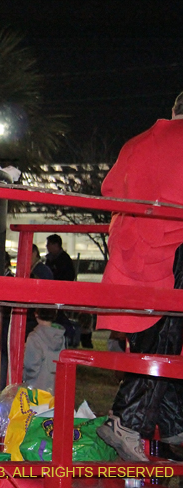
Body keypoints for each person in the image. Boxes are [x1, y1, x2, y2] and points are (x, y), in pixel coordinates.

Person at [95, 92, 183, 462]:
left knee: (152, 342)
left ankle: (175, 428)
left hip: (131, 252)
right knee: (165, 346)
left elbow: (109, 189)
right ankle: (126, 423)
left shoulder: (137, 141)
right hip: (172, 251)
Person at [23, 308, 65, 392]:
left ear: (36, 314)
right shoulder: (60, 336)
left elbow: (31, 367)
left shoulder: (34, 337)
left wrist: (23, 376)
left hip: (36, 388)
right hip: (54, 387)